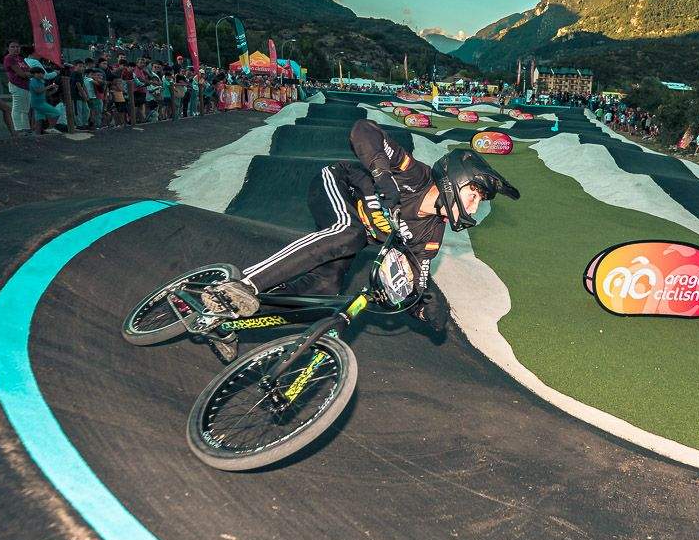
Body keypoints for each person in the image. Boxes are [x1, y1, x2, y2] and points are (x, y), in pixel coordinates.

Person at [202, 120, 520, 360]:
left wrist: (424, 310)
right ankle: (243, 284)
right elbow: (363, 130)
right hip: (337, 184)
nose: (474, 207)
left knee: (324, 293)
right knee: (348, 233)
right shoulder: (413, 175)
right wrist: (382, 176)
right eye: (474, 195)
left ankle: (230, 321)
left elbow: (412, 279)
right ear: (455, 181)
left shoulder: (431, 236)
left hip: (355, 234)